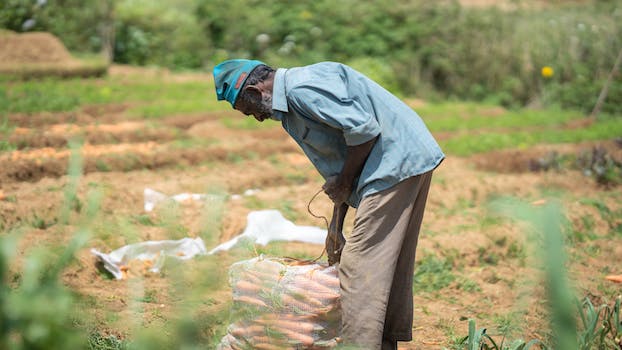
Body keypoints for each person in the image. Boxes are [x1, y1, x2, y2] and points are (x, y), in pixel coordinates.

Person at [213, 59, 444, 350]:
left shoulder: (302, 90)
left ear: (256, 91)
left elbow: (363, 131)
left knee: (359, 266)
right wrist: (336, 222)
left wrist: (344, 184)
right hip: (402, 159)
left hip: (394, 161)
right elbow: (342, 164)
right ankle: (384, 342)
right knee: (386, 262)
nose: (256, 119)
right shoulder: (292, 103)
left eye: (250, 111)